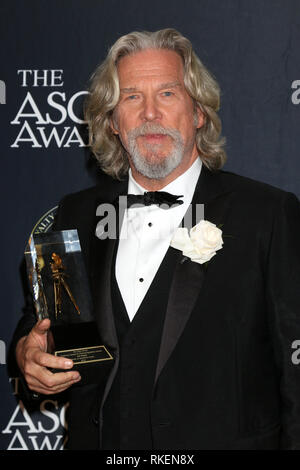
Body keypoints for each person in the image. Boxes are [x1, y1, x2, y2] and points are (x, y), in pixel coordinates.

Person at [13, 28, 300, 450]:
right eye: (131, 97)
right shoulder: (76, 213)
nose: (150, 113)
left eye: (167, 93)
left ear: (198, 112)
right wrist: (26, 353)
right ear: (112, 121)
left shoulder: (268, 214)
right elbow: (44, 323)